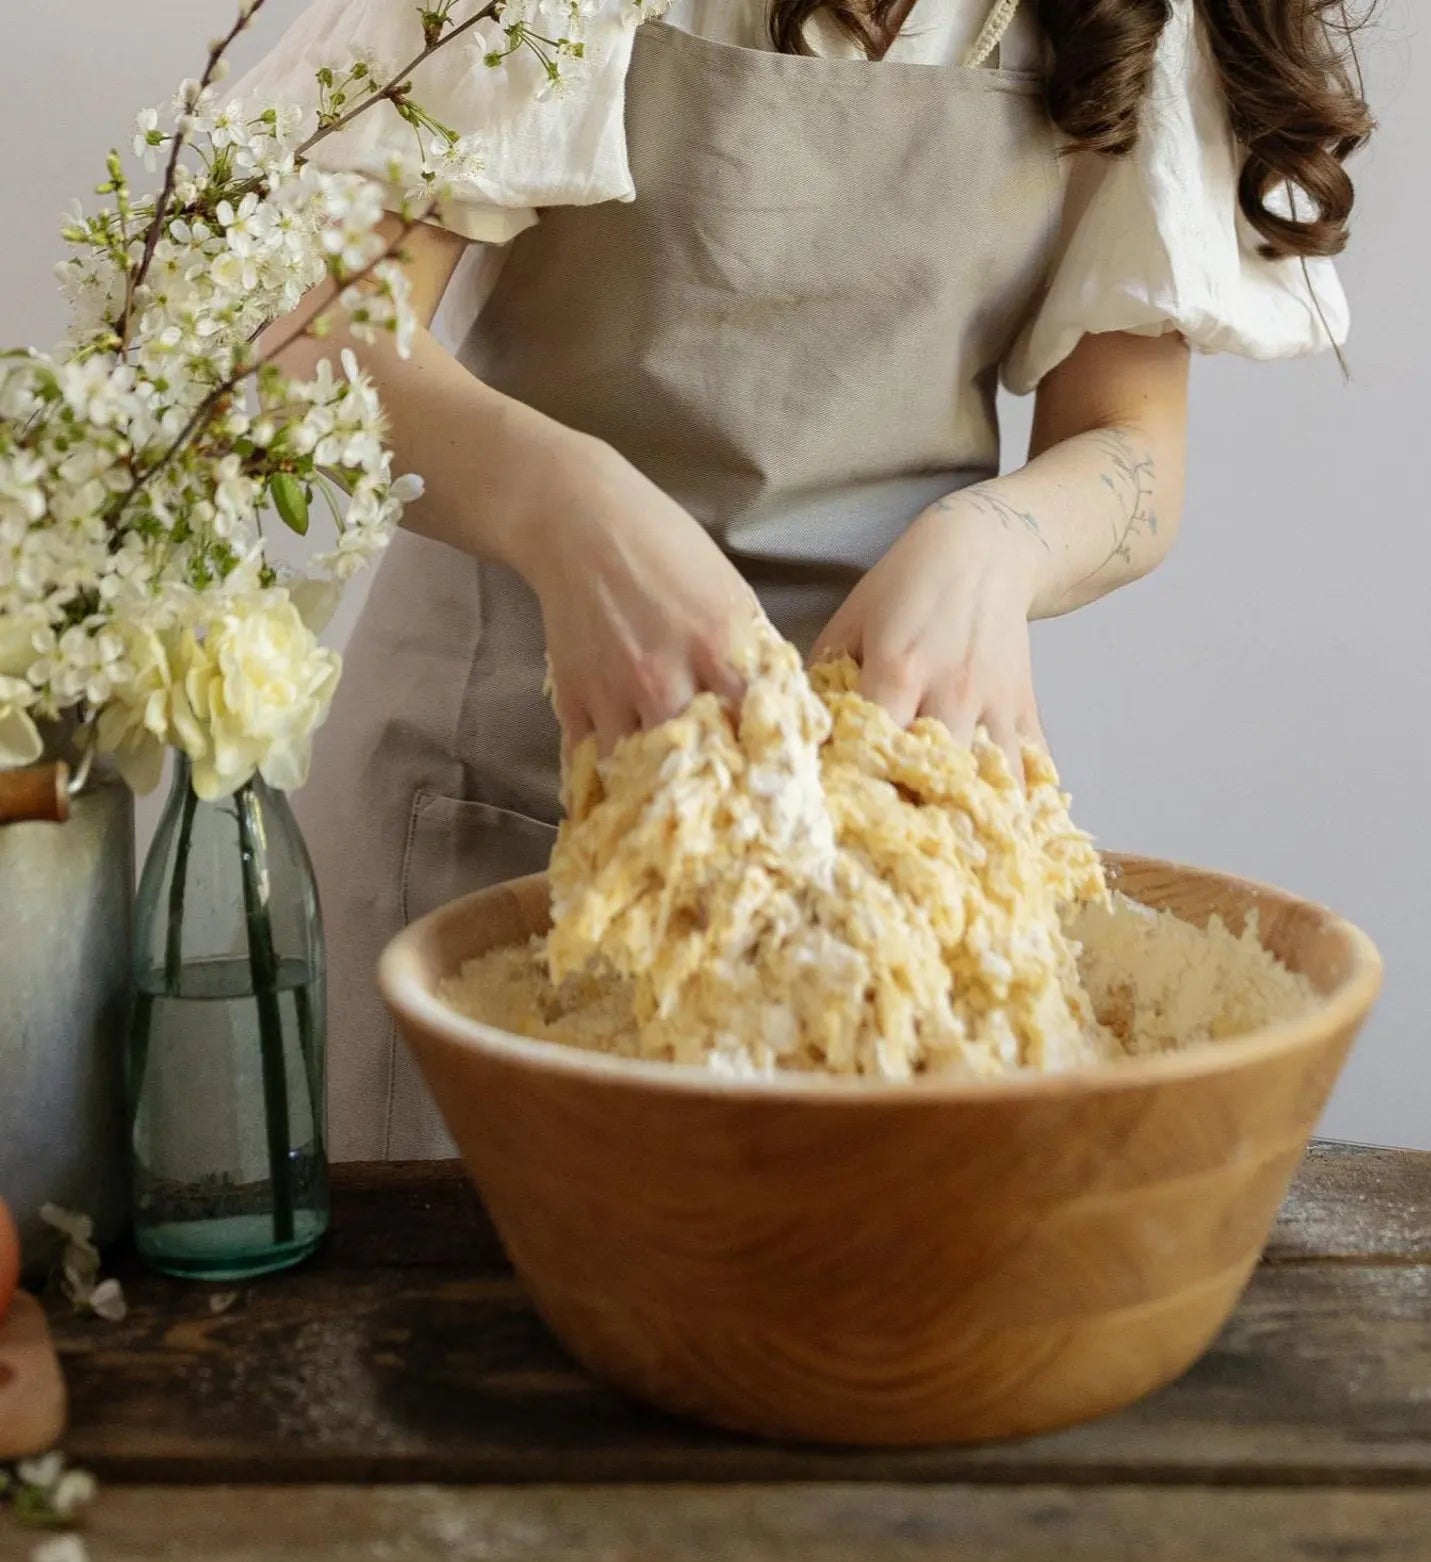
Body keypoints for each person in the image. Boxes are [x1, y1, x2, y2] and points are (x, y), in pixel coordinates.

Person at [239, 0, 1371, 1159]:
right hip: (499, 802)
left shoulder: (1130, 18)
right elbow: (313, 336)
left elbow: (1136, 444)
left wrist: (997, 543)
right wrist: (566, 510)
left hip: (879, 856)